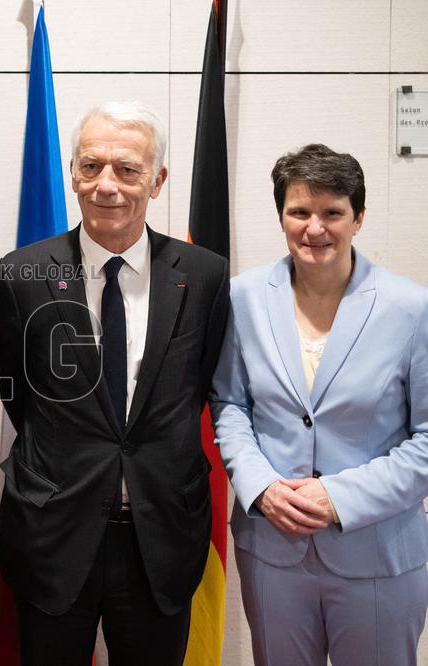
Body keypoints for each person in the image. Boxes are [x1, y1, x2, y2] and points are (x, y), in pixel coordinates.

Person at [0, 101, 229, 666]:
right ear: (72, 172)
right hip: (53, 535)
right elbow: (19, 395)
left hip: (160, 539)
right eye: (91, 166)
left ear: (158, 179)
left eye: (127, 169)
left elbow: (203, 388)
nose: (107, 186)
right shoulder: (23, 274)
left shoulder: (205, 274)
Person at [210, 143, 428, 665]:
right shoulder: (241, 298)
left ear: (359, 219)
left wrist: (338, 496)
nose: (315, 228)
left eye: (333, 213)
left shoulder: (411, 308)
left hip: (377, 551)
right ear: (281, 216)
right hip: (272, 550)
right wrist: (260, 487)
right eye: (300, 212)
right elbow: (229, 405)